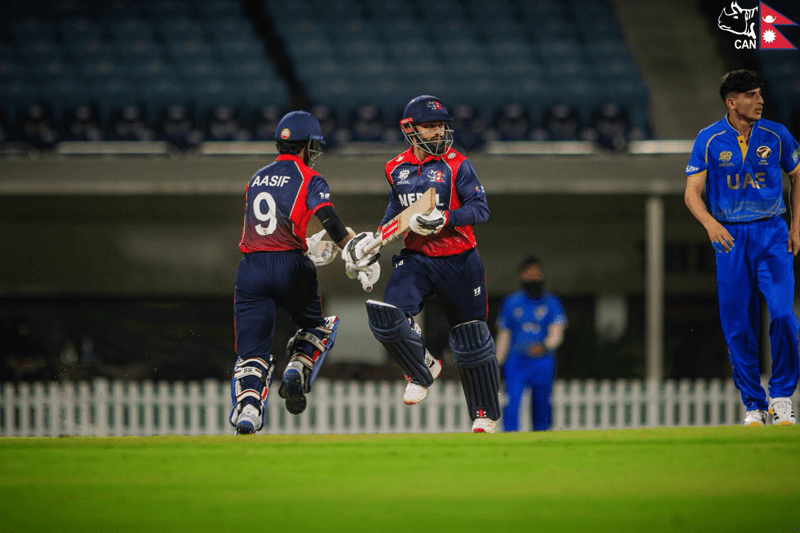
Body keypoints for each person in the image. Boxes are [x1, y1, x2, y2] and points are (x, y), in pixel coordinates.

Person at [346, 95, 500, 433]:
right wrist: (374, 242)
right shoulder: (394, 168)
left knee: (471, 338)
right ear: (409, 130)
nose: (438, 132)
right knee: (388, 318)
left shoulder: (458, 164)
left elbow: (480, 209)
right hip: (417, 258)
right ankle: (422, 367)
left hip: (459, 259)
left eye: (441, 125)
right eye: (430, 126)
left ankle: (484, 415)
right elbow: (396, 213)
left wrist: (445, 218)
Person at [230, 110, 379, 434]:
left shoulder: (256, 178)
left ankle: (250, 411)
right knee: (318, 327)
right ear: (307, 145)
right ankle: (297, 365)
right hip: (291, 266)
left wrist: (302, 241)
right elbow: (328, 217)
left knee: (252, 353)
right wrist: (349, 247)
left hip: (252, 267)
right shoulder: (308, 177)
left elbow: (267, 228)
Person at [684, 70, 800, 426]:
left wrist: (796, 225)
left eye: (760, 93)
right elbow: (691, 193)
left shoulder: (777, 135)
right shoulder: (708, 139)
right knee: (738, 325)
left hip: (771, 233)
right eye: (750, 95)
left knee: (783, 314)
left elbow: (797, 177)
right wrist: (710, 223)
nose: (760, 100)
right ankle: (753, 404)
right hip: (730, 238)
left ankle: (781, 397)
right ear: (731, 102)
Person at [495, 256, 567, 432]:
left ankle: (542, 438)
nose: (534, 278)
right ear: (522, 276)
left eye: (537, 274)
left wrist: (544, 346)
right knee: (512, 402)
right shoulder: (512, 302)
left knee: (542, 404)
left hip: (542, 361)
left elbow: (557, 332)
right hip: (516, 361)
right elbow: (504, 334)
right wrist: (497, 361)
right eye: (530, 274)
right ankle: (509, 438)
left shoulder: (551, 302)